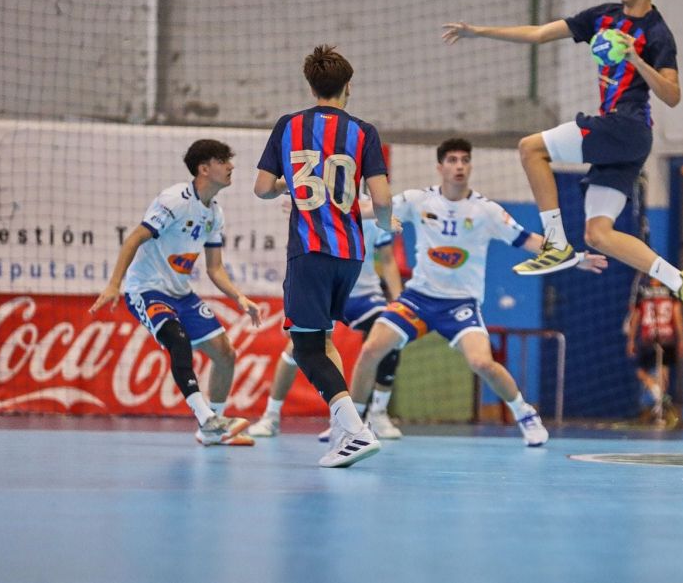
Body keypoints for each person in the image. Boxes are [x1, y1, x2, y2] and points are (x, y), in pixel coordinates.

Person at [442, 0, 683, 334]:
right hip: (622, 139)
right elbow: (538, 34)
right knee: (598, 235)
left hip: (627, 126)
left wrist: (636, 60)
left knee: (530, 147)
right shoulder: (603, 17)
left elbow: (672, 94)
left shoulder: (656, 33)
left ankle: (554, 244)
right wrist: (479, 31)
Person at [348, 138, 608, 447]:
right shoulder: (419, 200)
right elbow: (370, 207)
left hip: (460, 304)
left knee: (482, 363)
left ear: (470, 166)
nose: (459, 166)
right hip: (418, 299)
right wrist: (317, 206)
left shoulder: (486, 211)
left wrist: (575, 259)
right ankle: (351, 425)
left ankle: (526, 414)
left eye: (464, 160)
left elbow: (529, 240)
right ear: (439, 167)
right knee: (370, 350)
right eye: (452, 160)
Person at [254, 44, 396, 468]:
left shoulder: (288, 125)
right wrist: (387, 223)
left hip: (310, 250)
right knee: (324, 339)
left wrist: (288, 186)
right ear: (348, 87)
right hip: (350, 253)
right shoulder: (364, 131)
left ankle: (356, 429)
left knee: (304, 347)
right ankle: (345, 430)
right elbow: (383, 198)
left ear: (311, 85)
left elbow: (262, 187)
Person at [89, 139, 262, 446]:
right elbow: (133, 240)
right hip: (146, 289)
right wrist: (115, 285)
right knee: (177, 340)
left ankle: (215, 429)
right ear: (204, 169)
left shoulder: (214, 214)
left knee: (225, 354)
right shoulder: (174, 200)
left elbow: (215, 269)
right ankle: (206, 418)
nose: (231, 166)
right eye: (224, 161)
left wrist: (240, 298)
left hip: (181, 293)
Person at [247, 196, 404, 440]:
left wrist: (398, 303)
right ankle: (271, 415)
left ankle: (373, 415)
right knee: (296, 348)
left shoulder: (373, 208)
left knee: (390, 334)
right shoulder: (318, 202)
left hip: (363, 295)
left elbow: (387, 259)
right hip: (325, 292)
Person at [626, 276, 683, 425]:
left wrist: (631, 339)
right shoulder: (671, 292)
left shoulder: (643, 292)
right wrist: (681, 339)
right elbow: (677, 317)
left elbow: (635, 318)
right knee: (659, 374)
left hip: (652, 337)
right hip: (665, 338)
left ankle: (658, 407)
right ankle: (659, 400)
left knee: (656, 373)